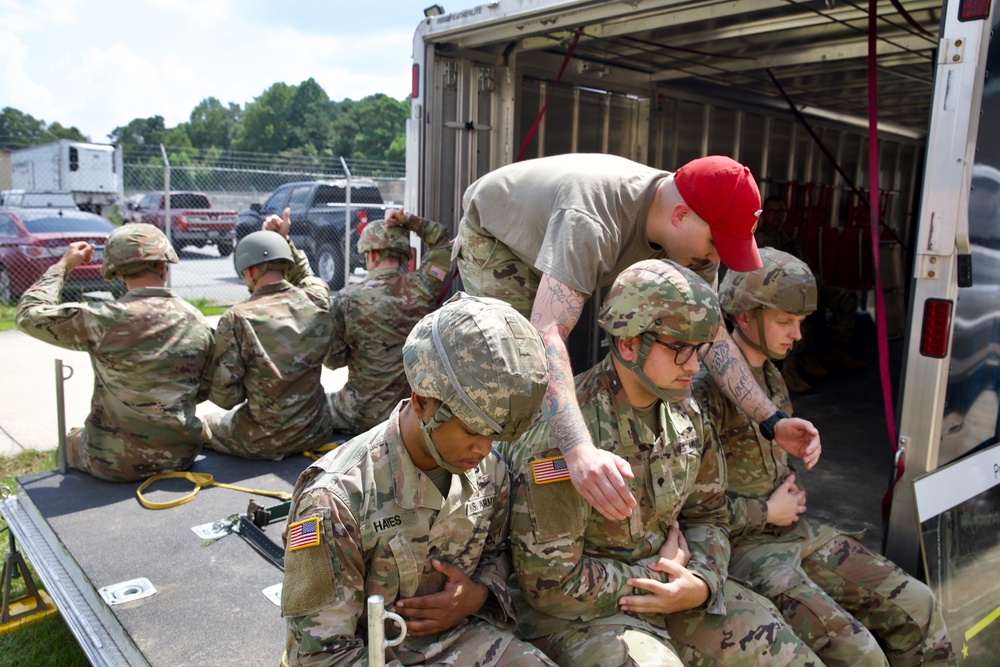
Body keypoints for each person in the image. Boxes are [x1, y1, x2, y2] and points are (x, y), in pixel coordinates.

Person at [454, 153, 821, 522]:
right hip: (502, 243)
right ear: (680, 216)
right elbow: (547, 335)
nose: (715, 256)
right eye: (715, 243)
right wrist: (579, 450)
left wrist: (772, 420)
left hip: (566, 237)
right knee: (514, 377)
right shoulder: (591, 218)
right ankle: (495, 508)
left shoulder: (694, 231)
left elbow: (711, 336)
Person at [503, 259, 822, 667]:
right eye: (680, 349)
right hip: (582, 617)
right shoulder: (562, 439)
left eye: (701, 349)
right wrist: (660, 577)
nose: (694, 365)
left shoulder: (687, 416)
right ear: (628, 344)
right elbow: (551, 585)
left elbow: (709, 516)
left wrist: (702, 583)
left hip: (679, 591)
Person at [693, 248, 957, 666]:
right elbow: (685, 508)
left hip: (792, 531)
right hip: (742, 545)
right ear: (743, 316)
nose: (797, 335)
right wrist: (766, 511)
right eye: (784, 321)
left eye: (800, 323)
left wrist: (792, 473)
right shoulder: (704, 389)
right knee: (861, 654)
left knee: (918, 605)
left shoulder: (769, 375)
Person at [281, 293, 556, 667]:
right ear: (422, 401)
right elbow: (321, 656)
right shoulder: (334, 499)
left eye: (495, 435)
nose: (483, 448)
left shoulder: (490, 470)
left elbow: (499, 551)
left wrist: (477, 593)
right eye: (472, 429)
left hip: (460, 636)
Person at [15, 224, 214, 481]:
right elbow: (204, 388)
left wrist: (63, 266)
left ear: (117, 273)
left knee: (68, 443)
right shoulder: (196, 319)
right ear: (163, 266)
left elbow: (28, 314)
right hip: (181, 455)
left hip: (113, 462)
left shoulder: (105, 319)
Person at [201, 209, 333, 459]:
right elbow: (306, 276)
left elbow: (226, 397)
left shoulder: (237, 318)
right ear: (286, 265)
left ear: (249, 271)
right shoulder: (317, 301)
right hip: (316, 430)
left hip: (263, 439)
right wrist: (284, 240)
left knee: (207, 422)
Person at [325, 209, 452, 435]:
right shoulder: (422, 288)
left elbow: (333, 361)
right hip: (407, 415)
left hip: (358, 413)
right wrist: (408, 220)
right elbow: (443, 240)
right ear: (403, 255)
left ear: (371, 255)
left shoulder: (346, 298)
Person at [755, 195, 865, 394]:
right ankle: (790, 366)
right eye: (771, 212)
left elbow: (805, 266)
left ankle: (834, 349)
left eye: (780, 212)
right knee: (797, 312)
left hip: (799, 288)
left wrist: (816, 286)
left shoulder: (789, 240)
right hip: (772, 293)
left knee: (847, 298)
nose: (776, 216)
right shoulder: (759, 239)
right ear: (763, 215)